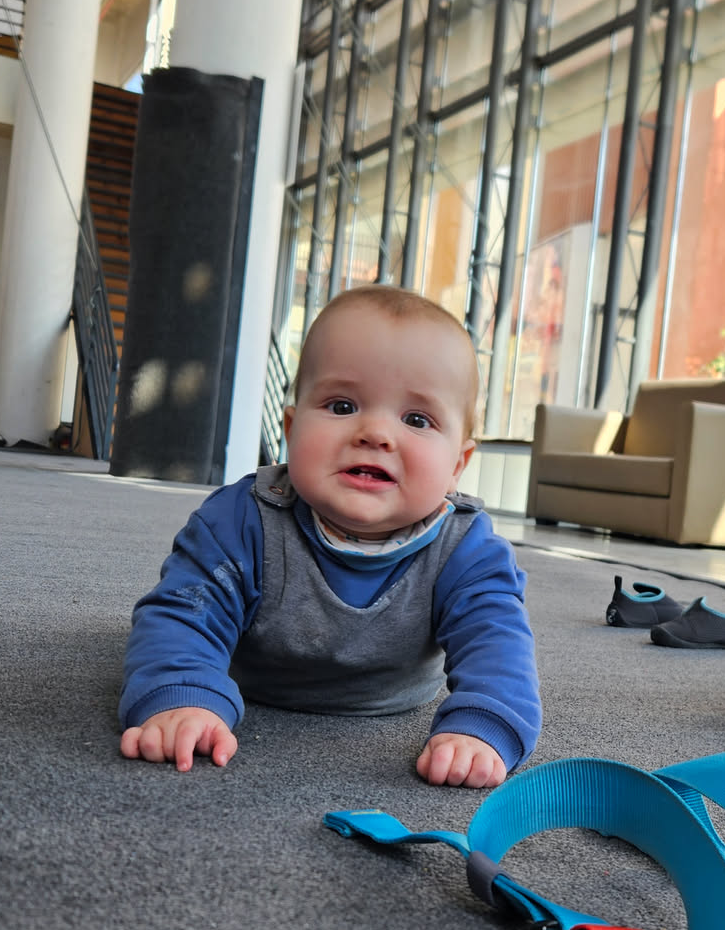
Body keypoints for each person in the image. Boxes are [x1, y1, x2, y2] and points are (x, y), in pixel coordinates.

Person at [119, 287, 540, 785]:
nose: (375, 433)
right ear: (292, 428)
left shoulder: (468, 549)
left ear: (457, 465)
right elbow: (184, 612)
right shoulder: (242, 519)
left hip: (395, 700)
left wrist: (483, 728)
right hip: (251, 682)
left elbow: (499, 647)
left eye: (416, 419)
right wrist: (182, 695)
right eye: (342, 406)